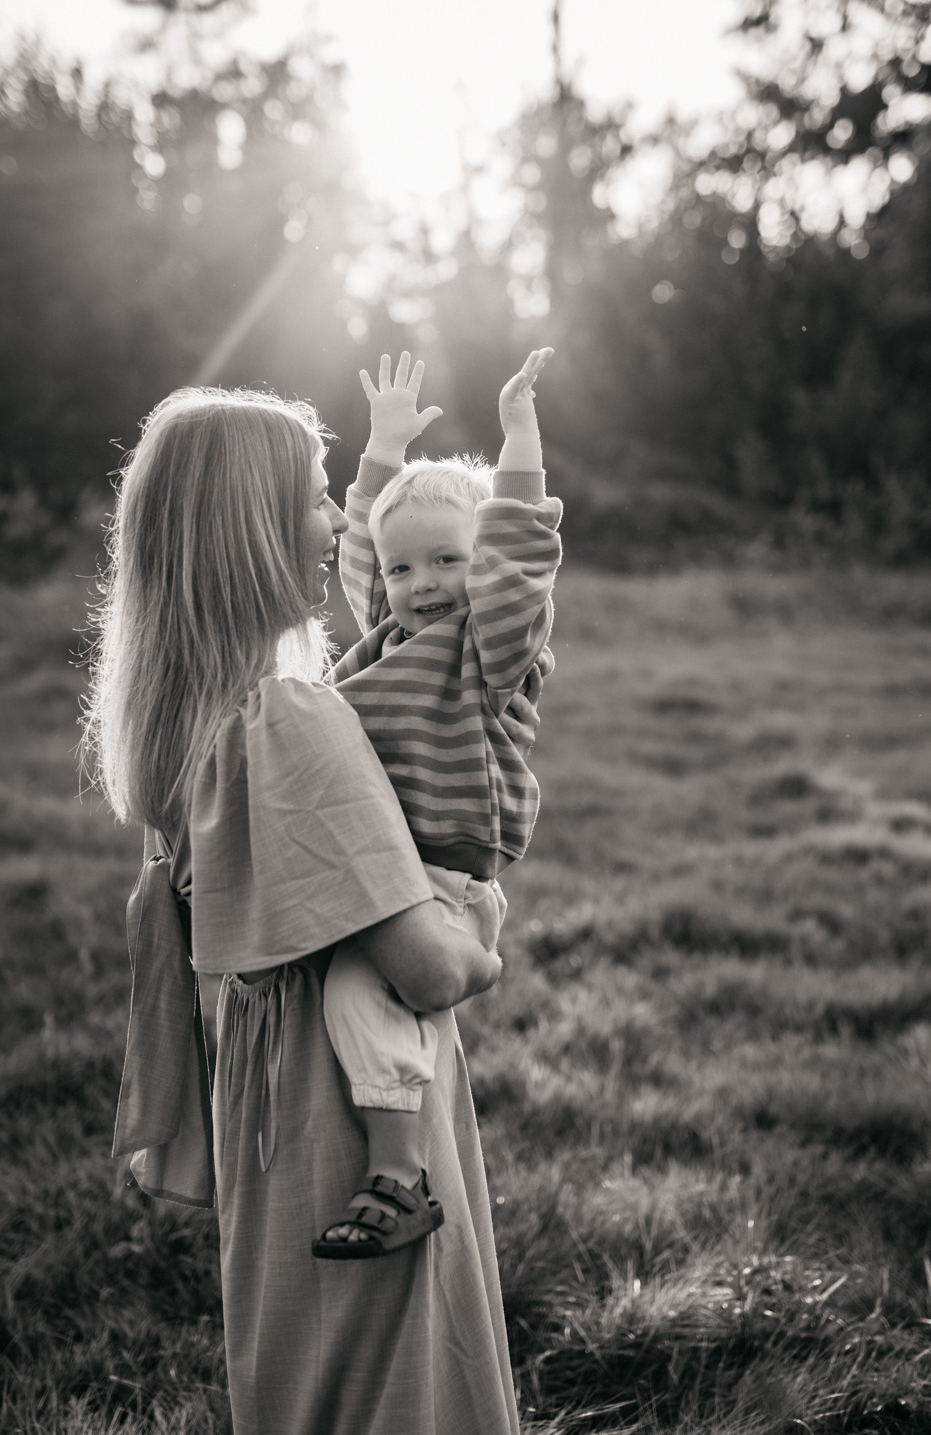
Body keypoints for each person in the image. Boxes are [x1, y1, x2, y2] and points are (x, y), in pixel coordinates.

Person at [82, 385, 531, 1434]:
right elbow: (424, 970)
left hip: (265, 1088)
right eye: (320, 497)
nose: (337, 523)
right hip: (349, 1104)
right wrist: (481, 951)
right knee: (394, 1378)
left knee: (304, 1363)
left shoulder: (191, 713)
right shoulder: (286, 719)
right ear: (250, 528)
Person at [317, 349, 561, 1257]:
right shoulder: (386, 637)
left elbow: (522, 568)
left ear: (483, 565)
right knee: (348, 992)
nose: (423, 585)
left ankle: (398, 1177)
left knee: (358, 993)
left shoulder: (488, 647)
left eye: (450, 562)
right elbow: (357, 552)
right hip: (390, 861)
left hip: (444, 874)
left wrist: (520, 446)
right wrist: (380, 450)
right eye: (406, 569)